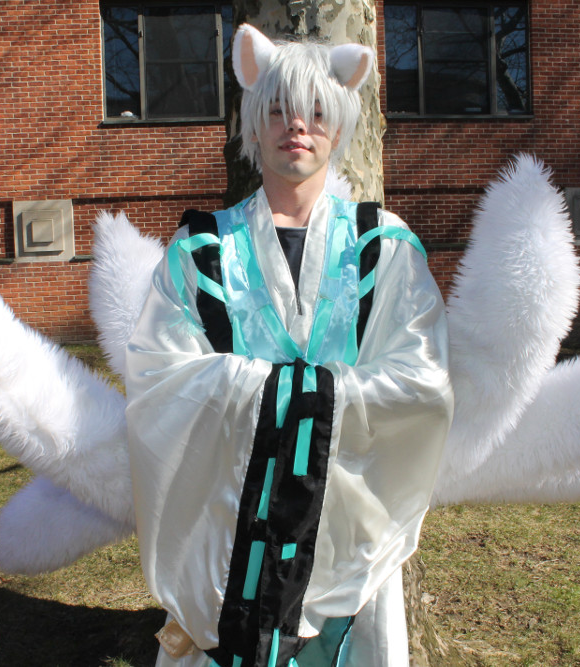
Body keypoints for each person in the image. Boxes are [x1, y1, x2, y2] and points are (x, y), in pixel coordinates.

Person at [125, 24, 453, 667]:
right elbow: (160, 377)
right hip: (229, 522)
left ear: (340, 126)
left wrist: (291, 395)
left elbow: (421, 379)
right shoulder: (201, 252)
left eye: (316, 112)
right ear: (253, 126)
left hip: (345, 522)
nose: (296, 126)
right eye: (277, 109)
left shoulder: (382, 247)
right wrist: (289, 392)